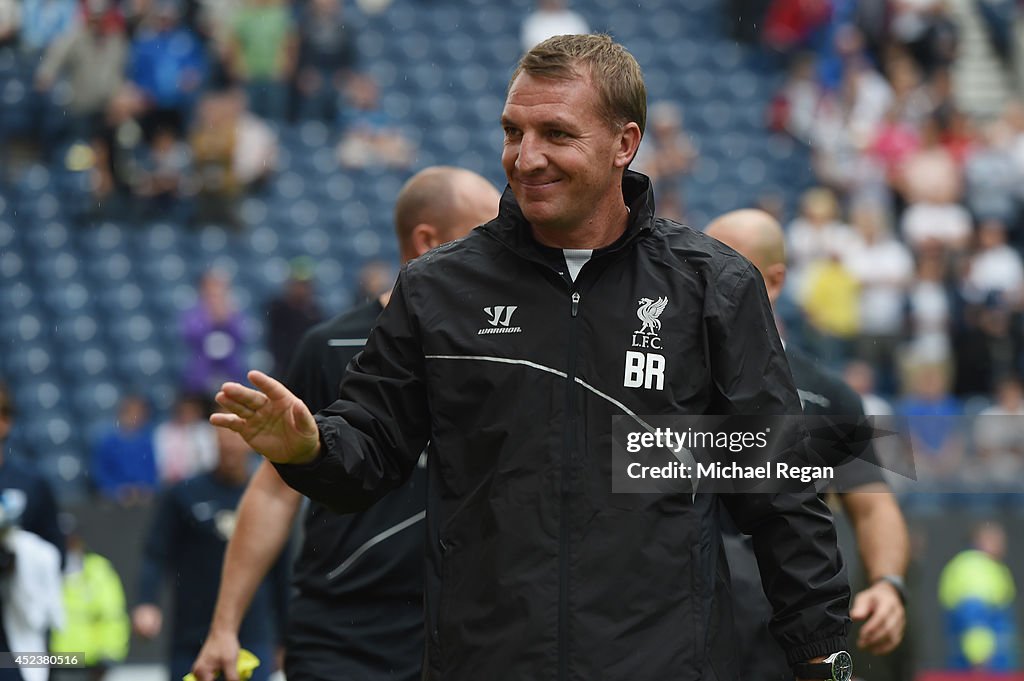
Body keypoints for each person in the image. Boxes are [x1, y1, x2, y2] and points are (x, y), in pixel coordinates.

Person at [211, 34, 851, 680]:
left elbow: (778, 491)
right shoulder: (438, 288)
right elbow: (372, 450)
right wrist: (311, 448)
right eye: (513, 132)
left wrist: (825, 660)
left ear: (624, 145)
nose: (526, 157)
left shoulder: (713, 284)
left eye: (556, 133)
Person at [190, 166, 501, 681]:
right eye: (484, 233)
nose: (502, 252)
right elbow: (272, 492)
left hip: (469, 637)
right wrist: (225, 627)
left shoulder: (508, 350)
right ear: (428, 240)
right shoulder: (331, 347)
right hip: (346, 638)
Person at [706, 209, 912, 679]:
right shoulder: (662, 376)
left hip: (788, 634)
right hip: (683, 628)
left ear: (774, 281)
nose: (704, 281)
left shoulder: (828, 394)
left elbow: (874, 504)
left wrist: (888, 584)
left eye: (725, 267)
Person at [133, 417, 289, 681]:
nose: (230, 445)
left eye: (236, 439)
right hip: (192, 633)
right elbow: (156, 553)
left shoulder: (266, 497)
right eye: (223, 438)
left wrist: (286, 637)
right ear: (214, 440)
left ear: (250, 443)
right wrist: (147, 602)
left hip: (251, 634)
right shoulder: (184, 493)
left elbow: (282, 569)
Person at [938, 522, 1018, 670]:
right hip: (985, 666)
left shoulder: (986, 566)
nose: (1002, 544)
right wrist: (979, 658)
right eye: (996, 539)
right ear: (980, 540)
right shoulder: (975, 568)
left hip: (989, 662)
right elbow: (974, 616)